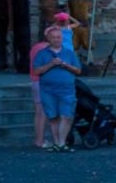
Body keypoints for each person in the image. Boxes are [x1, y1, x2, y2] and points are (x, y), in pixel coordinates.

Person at [32, 23, 81, 151]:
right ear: (49, 38)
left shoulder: (69, 53)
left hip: (66, 89)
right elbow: (37, 71)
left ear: (62, 38)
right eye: (53, 37)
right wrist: (51, 64)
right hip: (48, 90)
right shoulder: (42, 53)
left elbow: (78, 70)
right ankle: (56, 142)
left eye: (58, 37)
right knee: (53, 117)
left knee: (66, 115)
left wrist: (66, 65)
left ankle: (61, 142)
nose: (56, 39)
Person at [26, 32, 51, 148]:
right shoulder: (46, 49)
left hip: (35, 81)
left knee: (39, 112)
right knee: (43, 112)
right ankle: (40, 140)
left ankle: (39, 139)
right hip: (43, 81)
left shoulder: (35, 47)